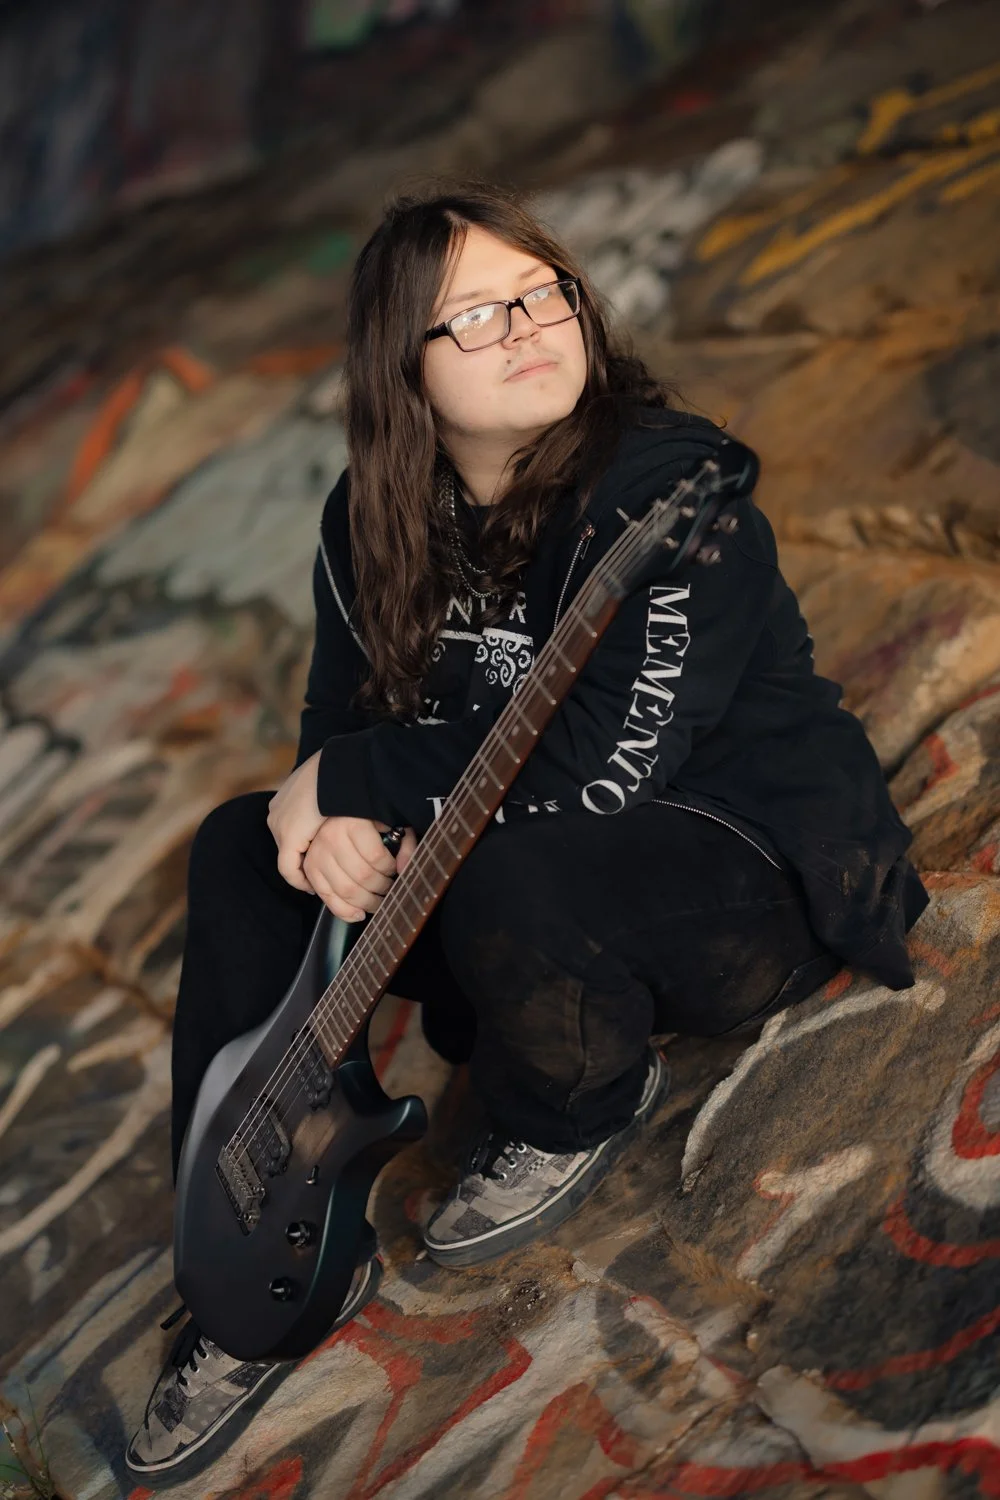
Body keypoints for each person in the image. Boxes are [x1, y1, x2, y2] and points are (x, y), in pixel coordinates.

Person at [125, 179, 928, 1485]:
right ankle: (242, 1250)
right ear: (408, 374)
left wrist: (359, 776)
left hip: (730, 872)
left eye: (542, 291)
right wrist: (322, 816)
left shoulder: (673, 492)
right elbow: (339, 725)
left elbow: (602, 771)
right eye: (478, 316)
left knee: (505, 833)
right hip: (508, 887)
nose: (530, 325)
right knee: (238, 849)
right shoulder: (370, 519)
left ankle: (577, 1098)